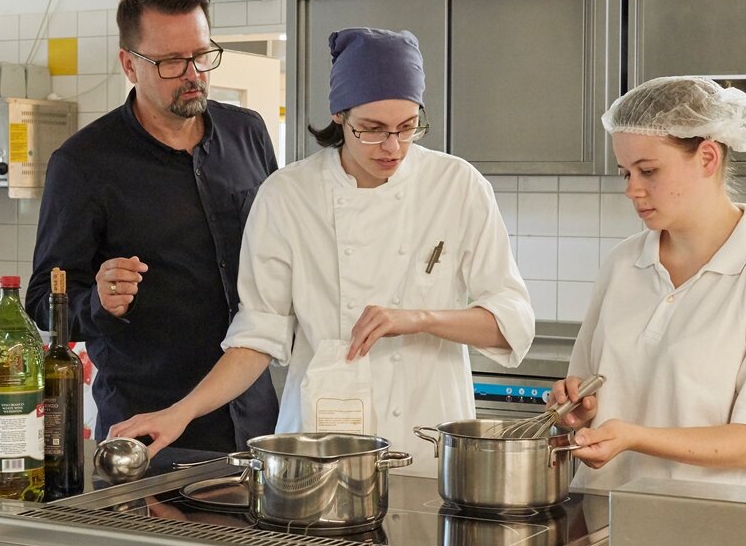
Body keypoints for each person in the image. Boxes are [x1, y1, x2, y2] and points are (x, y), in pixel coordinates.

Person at [111, 27, 535, 476]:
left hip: (427, 443)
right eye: (371, 130)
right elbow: (258, 333)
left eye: (407, 127)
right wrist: (182, 412)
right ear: (339, 115)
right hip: (319, 447)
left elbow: (511, 321)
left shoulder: (457, 185)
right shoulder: (288, 195)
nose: (392, 147)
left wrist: (417, 318)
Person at [26, 0, 279, 457]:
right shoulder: (83, 164)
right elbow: (43, 301)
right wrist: (98, 302)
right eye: (170, 62)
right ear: (129, 64)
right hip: (147, 430)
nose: (193, 73)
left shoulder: (248, 133)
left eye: (203, 55)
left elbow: (281, 254)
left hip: (257, 419)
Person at [549, 75, 746, 492]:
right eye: (625, 173)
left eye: (649, 171)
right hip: (603, 518)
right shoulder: (623, 263)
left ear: (707, 158)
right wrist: (576, 409)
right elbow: (587, 385)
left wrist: (635, 437)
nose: (632, 190)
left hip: (708, 525)